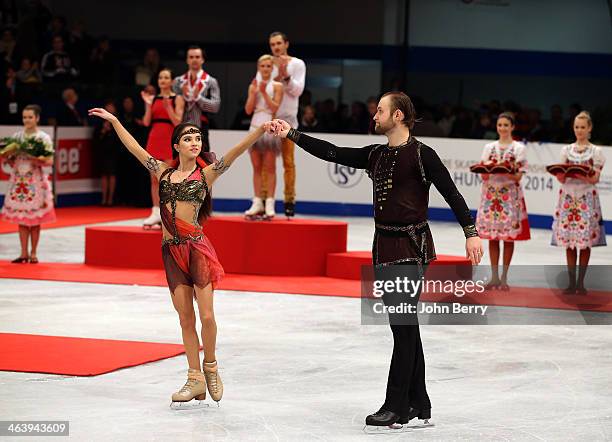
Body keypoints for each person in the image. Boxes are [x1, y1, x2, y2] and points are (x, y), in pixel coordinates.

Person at [267, 92, 483, 429]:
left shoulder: (424, 155)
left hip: (412, 246)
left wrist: (471, 232)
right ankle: (419, 402)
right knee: (406, 327)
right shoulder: (376, 155)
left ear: (397, 116)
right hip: (383, 245)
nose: (374, 115)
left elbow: (452, 194)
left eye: (380, 111)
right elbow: (332, 152)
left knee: (402, 327)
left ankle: (395, 405)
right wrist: (291, 134)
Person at [88, 106, 265, 407]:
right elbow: (134, 148)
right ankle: (194, 378)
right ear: (176, 146)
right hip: (171, 253)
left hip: (196, 250)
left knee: (207, 316)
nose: (195, 142)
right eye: (188, 138)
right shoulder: (163, 172)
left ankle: (210, 367)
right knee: (186, 318)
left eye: (198, 138)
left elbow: (234, 153)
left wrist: (259, 131)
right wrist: (116, 120)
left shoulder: (206, 174)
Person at [551, 111, 606, 294]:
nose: (579, 130)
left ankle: (581, 282)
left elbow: (595, 179)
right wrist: (563, 173)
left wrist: (583, 173)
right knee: (569, 242)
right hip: (568, 198)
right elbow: (560, 177)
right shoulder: (566, 150)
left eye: (583, 127)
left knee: (584, 242)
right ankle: (571, 281)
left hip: (586, 198)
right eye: (576, 127)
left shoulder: (596, 152)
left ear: (589, 128)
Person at [476, 112, 530, 290]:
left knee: (508, 238)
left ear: (512, 127)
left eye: (506, 125)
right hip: (491, 196)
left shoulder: (519, 148)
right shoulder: (489, 147)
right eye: (500, 125)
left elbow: (518, 177)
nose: (502, 128)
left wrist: (506, 170)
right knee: (492, 237)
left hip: (510, 196)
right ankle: (494, 277)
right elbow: (483, 175)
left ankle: (504, 278)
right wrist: (488, 169)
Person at [1, 104, 56, 263]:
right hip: (18, 181)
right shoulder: (17, 137)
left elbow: (49, 161)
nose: (27, 120)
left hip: (35, 181)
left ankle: (33, 253)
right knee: (22, 218)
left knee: (35, 219)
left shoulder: (43, 138)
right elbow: (8, 160)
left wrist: (33, 157)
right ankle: (23, 252)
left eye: (30, 117)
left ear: (37, 118)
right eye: (25, 117)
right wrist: (9, 156)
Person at [260, 31, 306, 218]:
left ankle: (289, 201)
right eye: (273, 44)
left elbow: (297, 91)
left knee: (288, 162)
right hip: (270, 118)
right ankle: (264, 199)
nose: (276, 47)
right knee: (267, 163)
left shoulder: (297, 64)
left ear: (286, 43)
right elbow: (261, 87)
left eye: (279, 43)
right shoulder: (266, 63)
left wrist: (285, 75)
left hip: (288, 120)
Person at [141, 68, 185, 228]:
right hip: (154, 138)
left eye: (166, 78)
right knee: (154, 178)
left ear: (172, 81)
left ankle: (169, 214)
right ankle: (155, 212)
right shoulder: (153, 99)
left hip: (169, 138)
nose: (163, 80)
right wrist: (147, 105)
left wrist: (168, 108)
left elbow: (178, 123)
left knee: (168, 179)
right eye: (160, 78)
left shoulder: (177, 98)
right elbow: (146, 122)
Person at [243, 55, 283, 220]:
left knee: (270, 167)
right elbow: (248, 110)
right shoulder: (253, 86)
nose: (265, 69)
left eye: (268, 66)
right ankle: (257, 201)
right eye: (263, 66)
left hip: (269, 125)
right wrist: (254, 93)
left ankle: (270, 202)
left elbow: (275, 107)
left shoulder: (277, 86)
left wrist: (264, 93)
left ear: (272, 68)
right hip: (254, 126)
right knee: (256, 167)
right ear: (259, 68)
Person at [172, 45, 220, 152]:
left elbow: (216, 107)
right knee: (180, 162)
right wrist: (182, 97)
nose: (194, 60)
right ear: (187, 60)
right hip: (180, 127)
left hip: (201, 127)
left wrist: (198, 98)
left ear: (202, 59)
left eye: (197, 57)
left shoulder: (211, 81)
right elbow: (173, 106)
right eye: (191, 57)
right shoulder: (178, 82)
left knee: (203, 162)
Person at [92, 100, 121, 206]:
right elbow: (96, 137)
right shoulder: (100, 121)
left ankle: (111, 199)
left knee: (112, 174)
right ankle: (104, 198)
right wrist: (104, 131)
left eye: (111, 108)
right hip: (103, 151)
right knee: (104, 175)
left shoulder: (117, 121)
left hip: (113, 151)